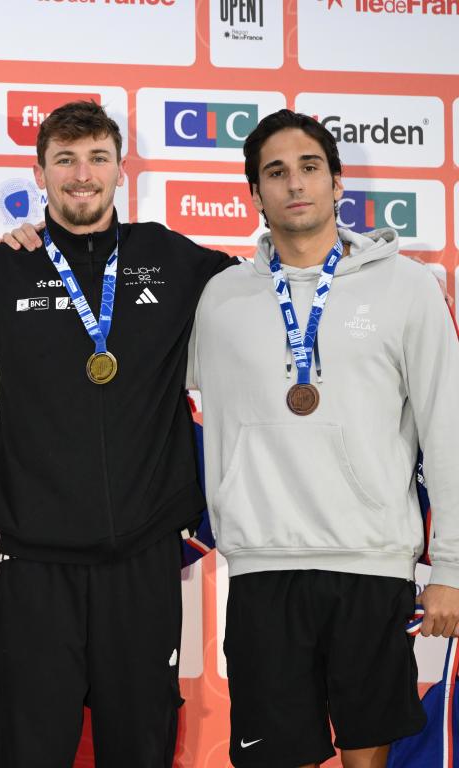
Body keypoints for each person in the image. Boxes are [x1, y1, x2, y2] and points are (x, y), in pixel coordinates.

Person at [189, 109, 459, 768]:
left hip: (370, 566)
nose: (294, 184)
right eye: (275, 173)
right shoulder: (220, 300)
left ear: (338, 183)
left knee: (368, 757)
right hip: (262, 568)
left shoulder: (407, 288)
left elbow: (447, 426)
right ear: (255, 194)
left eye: (310, 167)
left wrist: (450, 566)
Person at [0, 100, 233, 766]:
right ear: (40, 172)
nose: (81, 175)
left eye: (96, 159)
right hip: (35, 566)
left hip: (141, 569)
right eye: (65, 160)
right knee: (26, 751)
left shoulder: (170, 260)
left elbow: (270, 289)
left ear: (121, 170)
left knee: (140, 750)